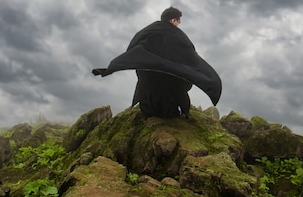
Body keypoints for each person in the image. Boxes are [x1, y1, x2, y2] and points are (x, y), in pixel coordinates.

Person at [93, 7, 221, 118]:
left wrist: (110, 68)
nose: (179, 23)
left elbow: (134, 49)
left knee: (147, 73)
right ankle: (183, 112)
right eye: (179, 20)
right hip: (170, 104)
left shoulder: (148, 31)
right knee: (178, 78)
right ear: (173, 20)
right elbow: (190, 57)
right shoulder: (178, 36)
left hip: (147, 105)